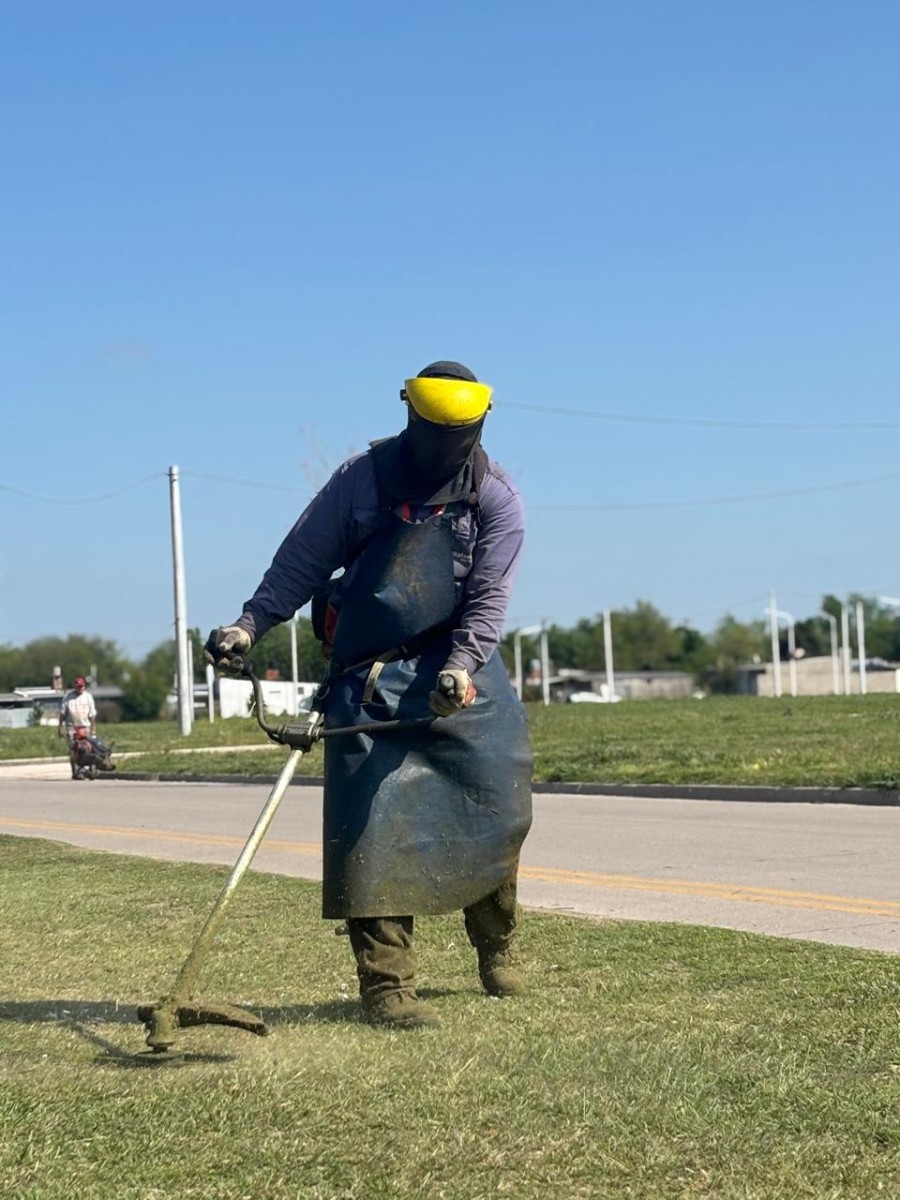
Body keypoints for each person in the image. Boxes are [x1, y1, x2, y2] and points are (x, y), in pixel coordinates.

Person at [206, 360, 533, 1028]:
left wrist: (462, 667)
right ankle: (387, 987)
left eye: (459, 433)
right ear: (409, 414)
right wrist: (248, 625)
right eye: (435, 430)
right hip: (371, 675)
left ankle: (498, 949)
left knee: (493, 803)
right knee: (371, 830)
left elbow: (489, 597)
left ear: (477, 427)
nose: (445, 446)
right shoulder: (359, 481)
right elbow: (300, 561)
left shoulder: (495, 497)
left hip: (458, 671)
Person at [58, 675, 98, 778]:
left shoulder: (88, 697)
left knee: (89, 748)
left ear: (84, 686)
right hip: (72, 727)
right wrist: (60, 727)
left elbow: (92, 715)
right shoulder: (68, 697)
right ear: (75, 686)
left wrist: (94, 728)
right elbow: (62, 714)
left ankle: (91, 767)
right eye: (78, 686)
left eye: (82, 686)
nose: (80, 688)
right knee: (74, 749)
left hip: (85, 726)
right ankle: (76, 770)